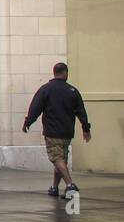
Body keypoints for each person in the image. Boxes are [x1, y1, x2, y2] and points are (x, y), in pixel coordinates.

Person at [23, 62, 90, 200]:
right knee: (61, 160)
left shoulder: (45, 89)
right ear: (65, 73)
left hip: (52, 131)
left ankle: (70, 185)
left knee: (57, 158)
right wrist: (85, 128)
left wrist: (28, 122)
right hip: (67, 132)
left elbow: (35, 107)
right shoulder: (72, 91)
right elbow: (81, 111)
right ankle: (54, 187)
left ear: (54, 72)